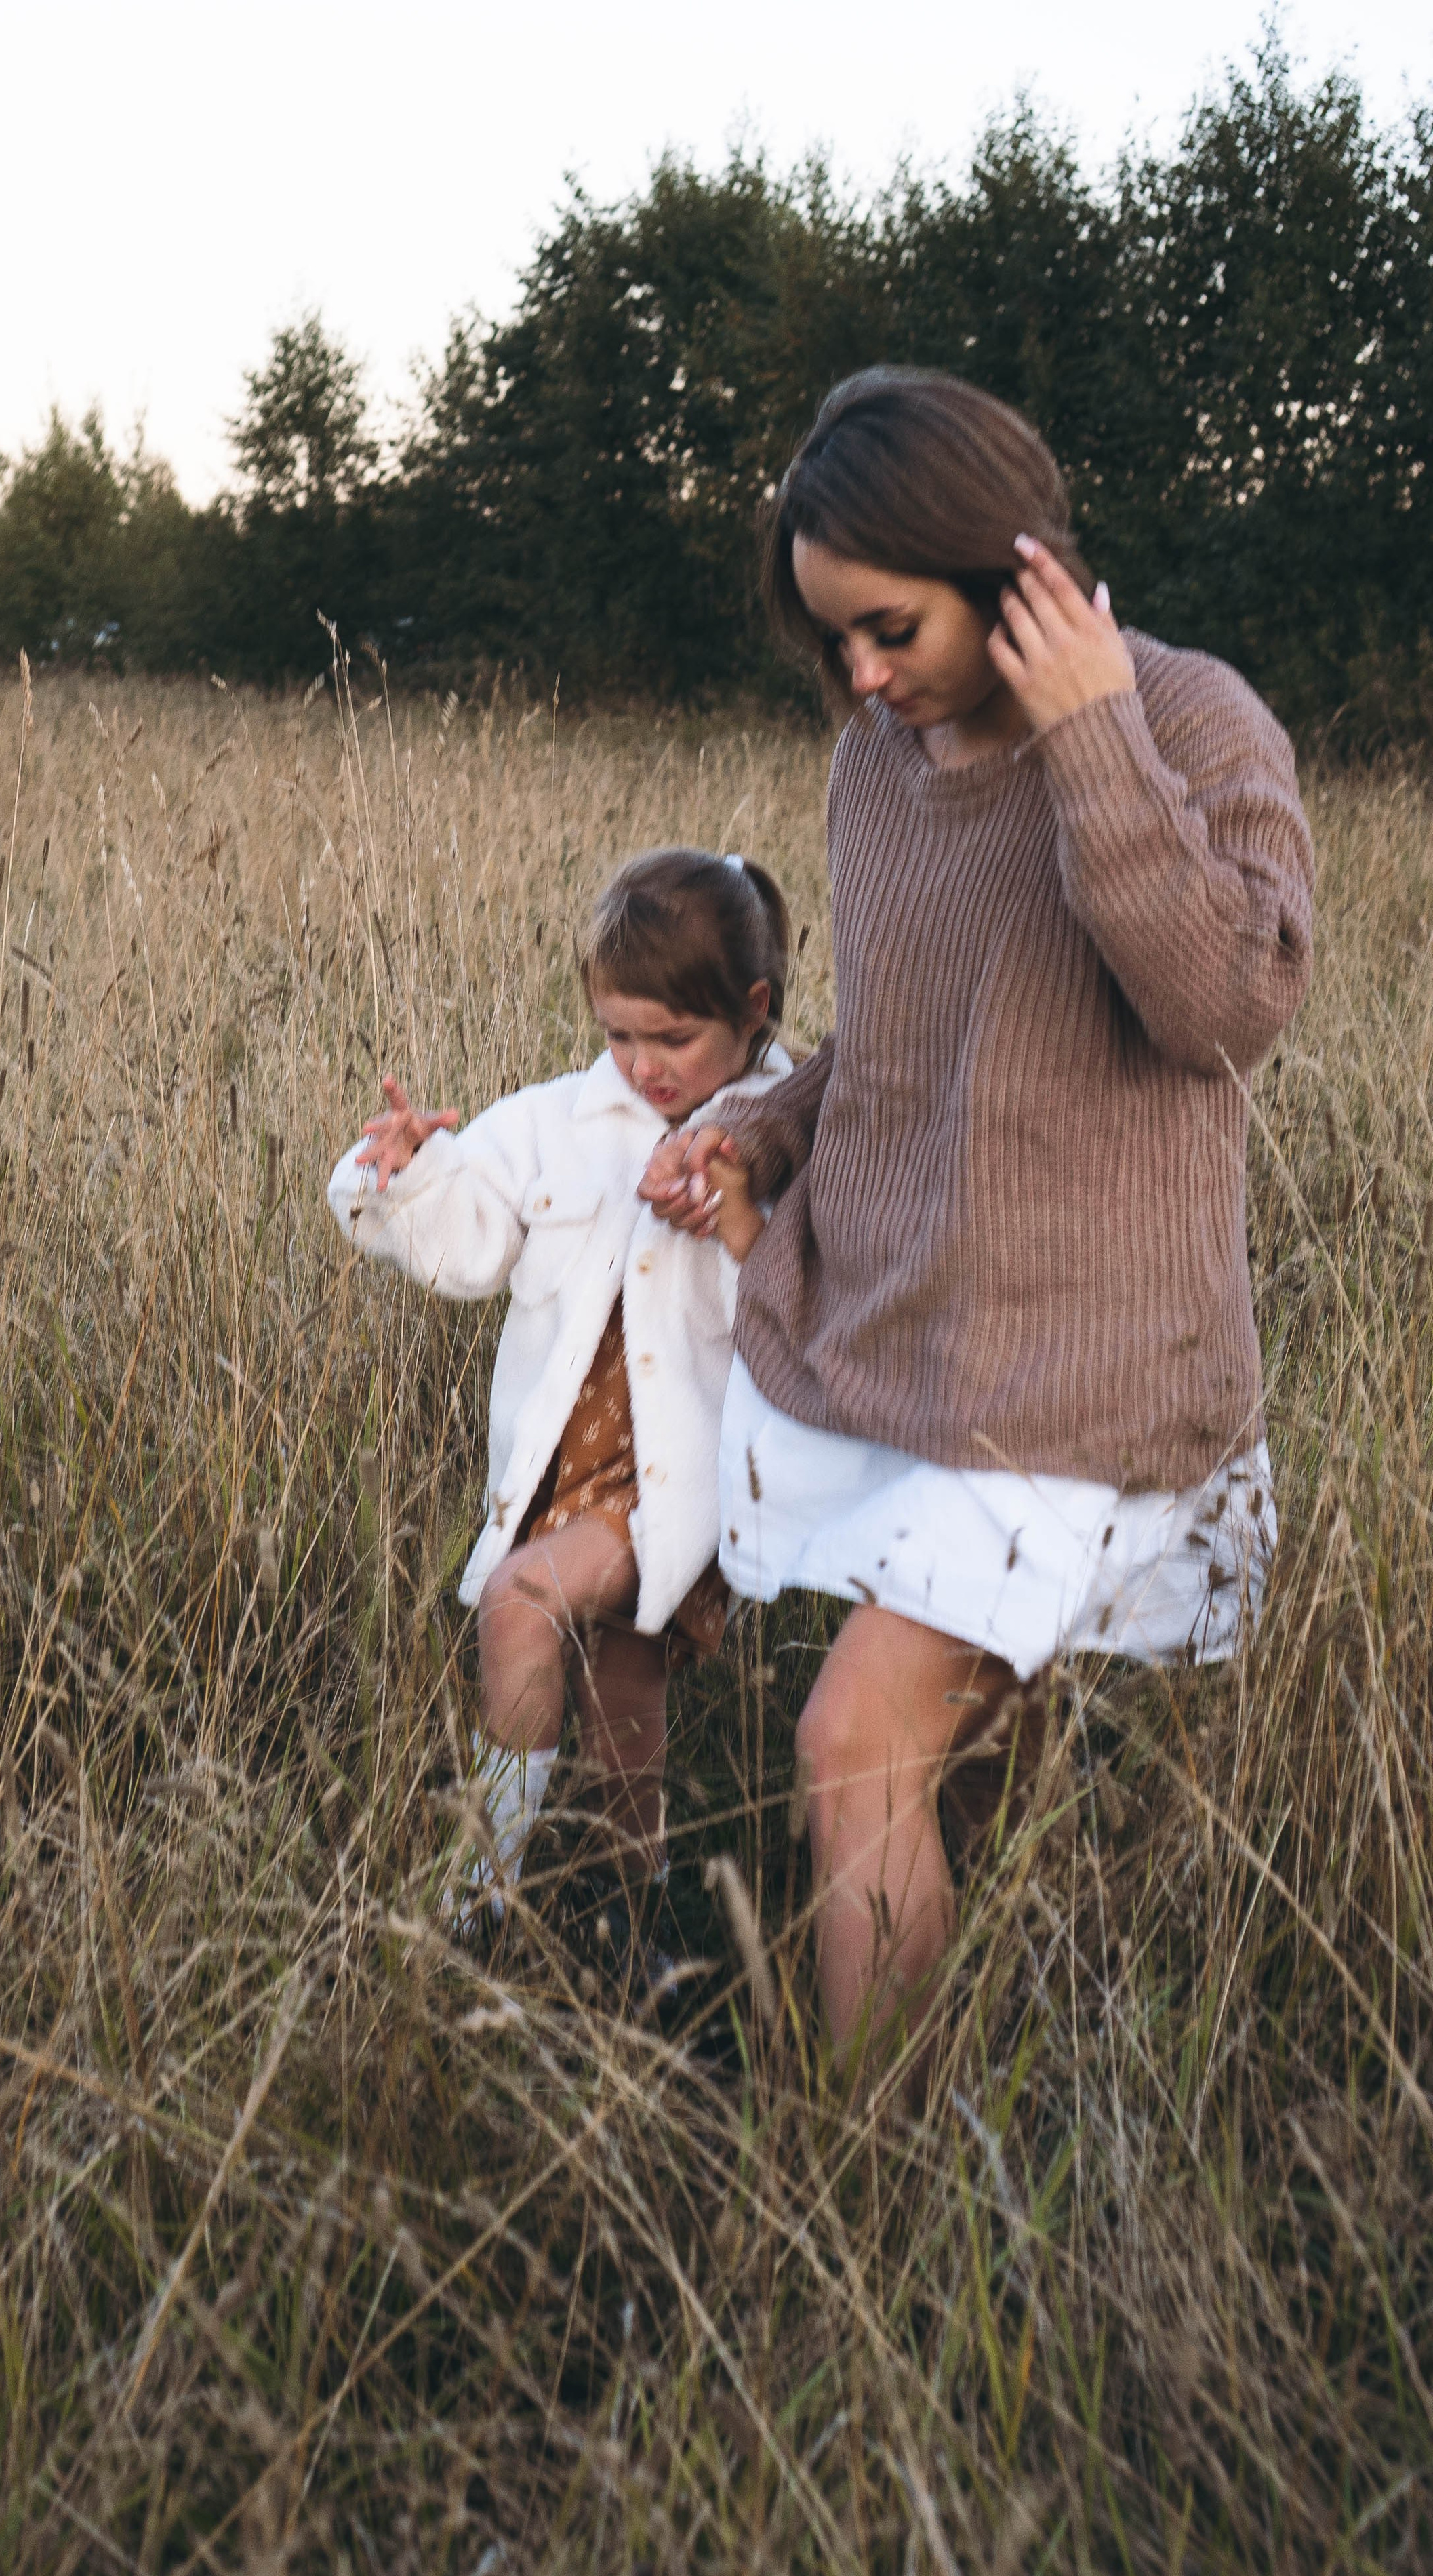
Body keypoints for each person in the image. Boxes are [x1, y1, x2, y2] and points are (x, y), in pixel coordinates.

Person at [642, 367, 1314, 2063]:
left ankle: (866, 2178)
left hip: (1077, 1371)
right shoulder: (877, 767)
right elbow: (900, 1039)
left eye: (885, 630)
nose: (860, 680)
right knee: (956, 1751)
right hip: (911, 1327)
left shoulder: (1194, 722)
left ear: (1009, 569)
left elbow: (1222, 1007)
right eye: (829, 646)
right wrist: (763, 1133)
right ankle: (968, 2079)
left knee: (850, 1737)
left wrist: (1091, 735)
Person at [327, 847, 792, 1960]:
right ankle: (637, 1913)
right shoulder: (552, 1122)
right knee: (622, 1684)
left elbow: (822, 1296)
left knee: (523, 1601)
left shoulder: (788, 1126)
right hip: (560, 1466)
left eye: (673, 1039)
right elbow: (467, 1250)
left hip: (686, 1475)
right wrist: (406, 1175)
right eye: (620, 1034)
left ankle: (478, 1891)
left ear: (755, 1009)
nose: (642, 1066)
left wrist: (741, 1217)